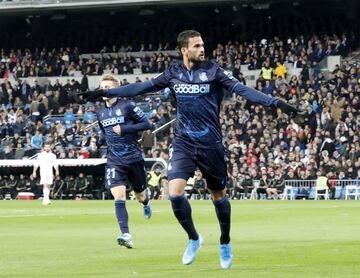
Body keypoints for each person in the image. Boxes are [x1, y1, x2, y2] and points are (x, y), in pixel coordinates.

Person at [80, 30, 300, 269]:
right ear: (184, 49)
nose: (202, 49)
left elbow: (241, 90)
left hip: (211, 144)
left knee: (218, 195)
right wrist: (105, 92)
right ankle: (194, 237)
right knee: (174, 193)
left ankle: (225, 241)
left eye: (202, 45)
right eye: (196, 46)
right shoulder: (173, 73)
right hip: (184, 142)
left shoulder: (214, 71)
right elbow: (141, 87)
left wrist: (276, 102)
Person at [93, 74, 154, 249]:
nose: (104, 90)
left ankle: (146, 202)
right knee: (119, 196)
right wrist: (100, 140)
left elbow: (147, 124)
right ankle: (126, 234)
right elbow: (105, 132)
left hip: (133, 157)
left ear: (117, 90)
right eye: (102, 87)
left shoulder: (128, 105)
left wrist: (125, 128)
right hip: (114, 160)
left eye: (108, 87)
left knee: (140, 195)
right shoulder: (100, 111)